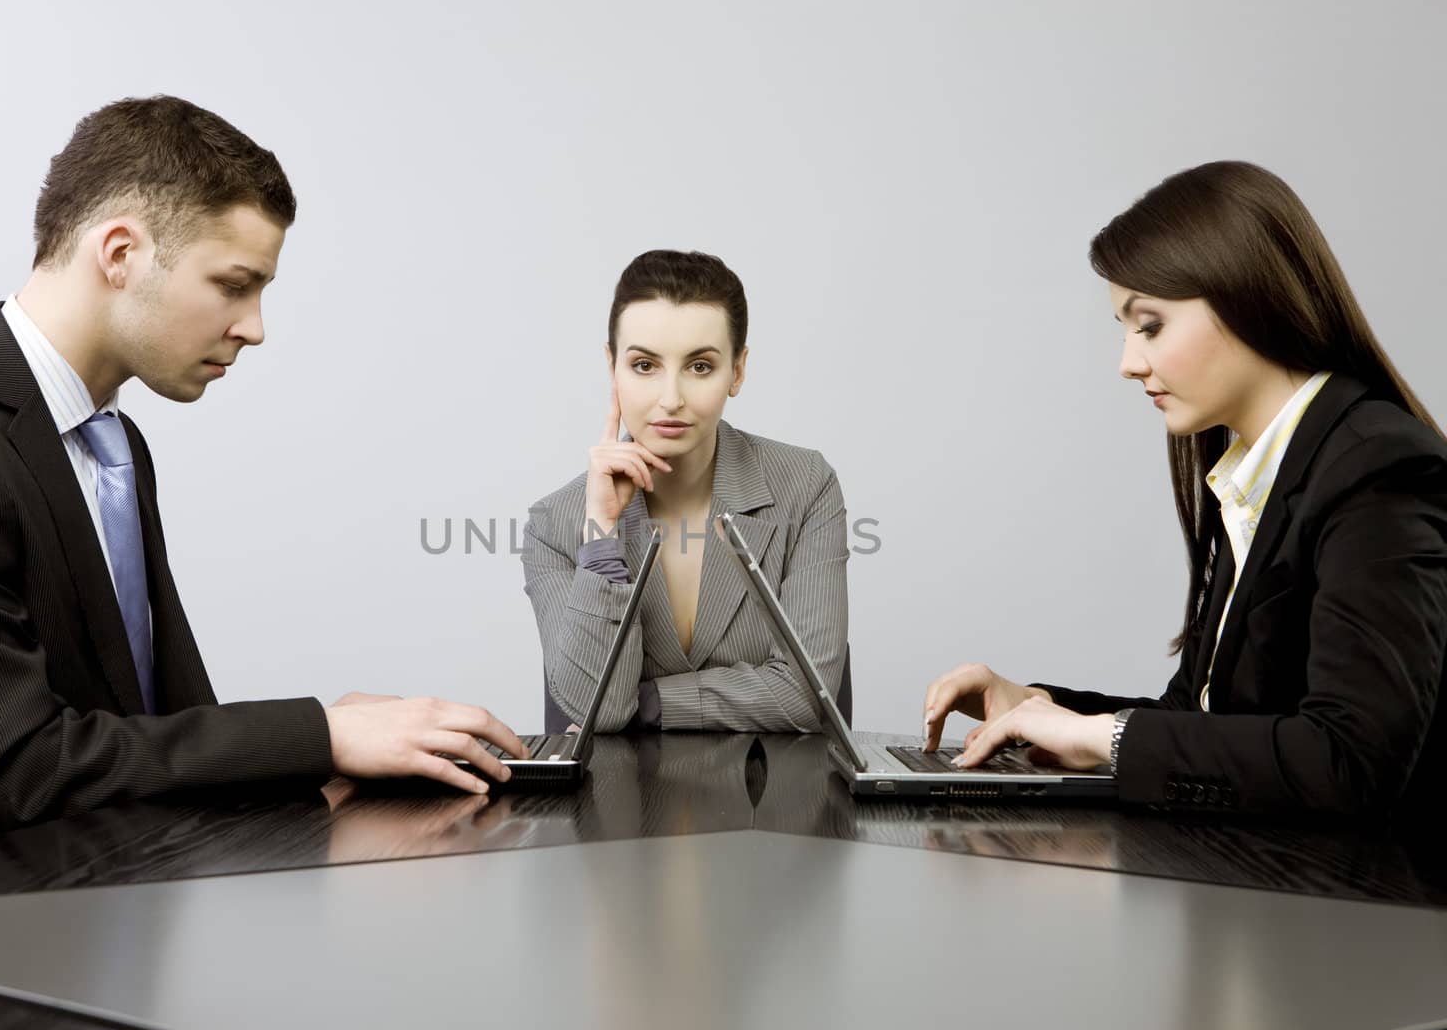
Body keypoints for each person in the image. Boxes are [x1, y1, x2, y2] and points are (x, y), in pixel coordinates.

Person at [0, 96, 528, 875]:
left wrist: (324, 759)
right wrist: (321, 733)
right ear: (119, 253)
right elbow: (22, 769)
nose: (255, 325)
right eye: (234, 284)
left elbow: (162, 723)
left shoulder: (114, 444)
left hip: (100, 903)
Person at [924, 161, 1447, 817]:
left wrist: (1099, 737)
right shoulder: (1259, 471)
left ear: (1246, 294)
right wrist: (1040, 708)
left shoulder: (1378, 468)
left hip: (1354, 906)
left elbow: (1350, 759)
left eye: (1149, 325)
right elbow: (1200, 717)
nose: (1128, 362)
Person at [522, 250, 849, 733]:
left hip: (771, 798)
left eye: (699, 366)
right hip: (617, 804)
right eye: (644, 365)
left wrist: (650, 702)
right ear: (612, 366)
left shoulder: (805, 486)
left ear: (737, 371)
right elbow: (600, 710)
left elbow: (805, 695)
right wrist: (602, 537)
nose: (670, 399)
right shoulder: (554, 524)